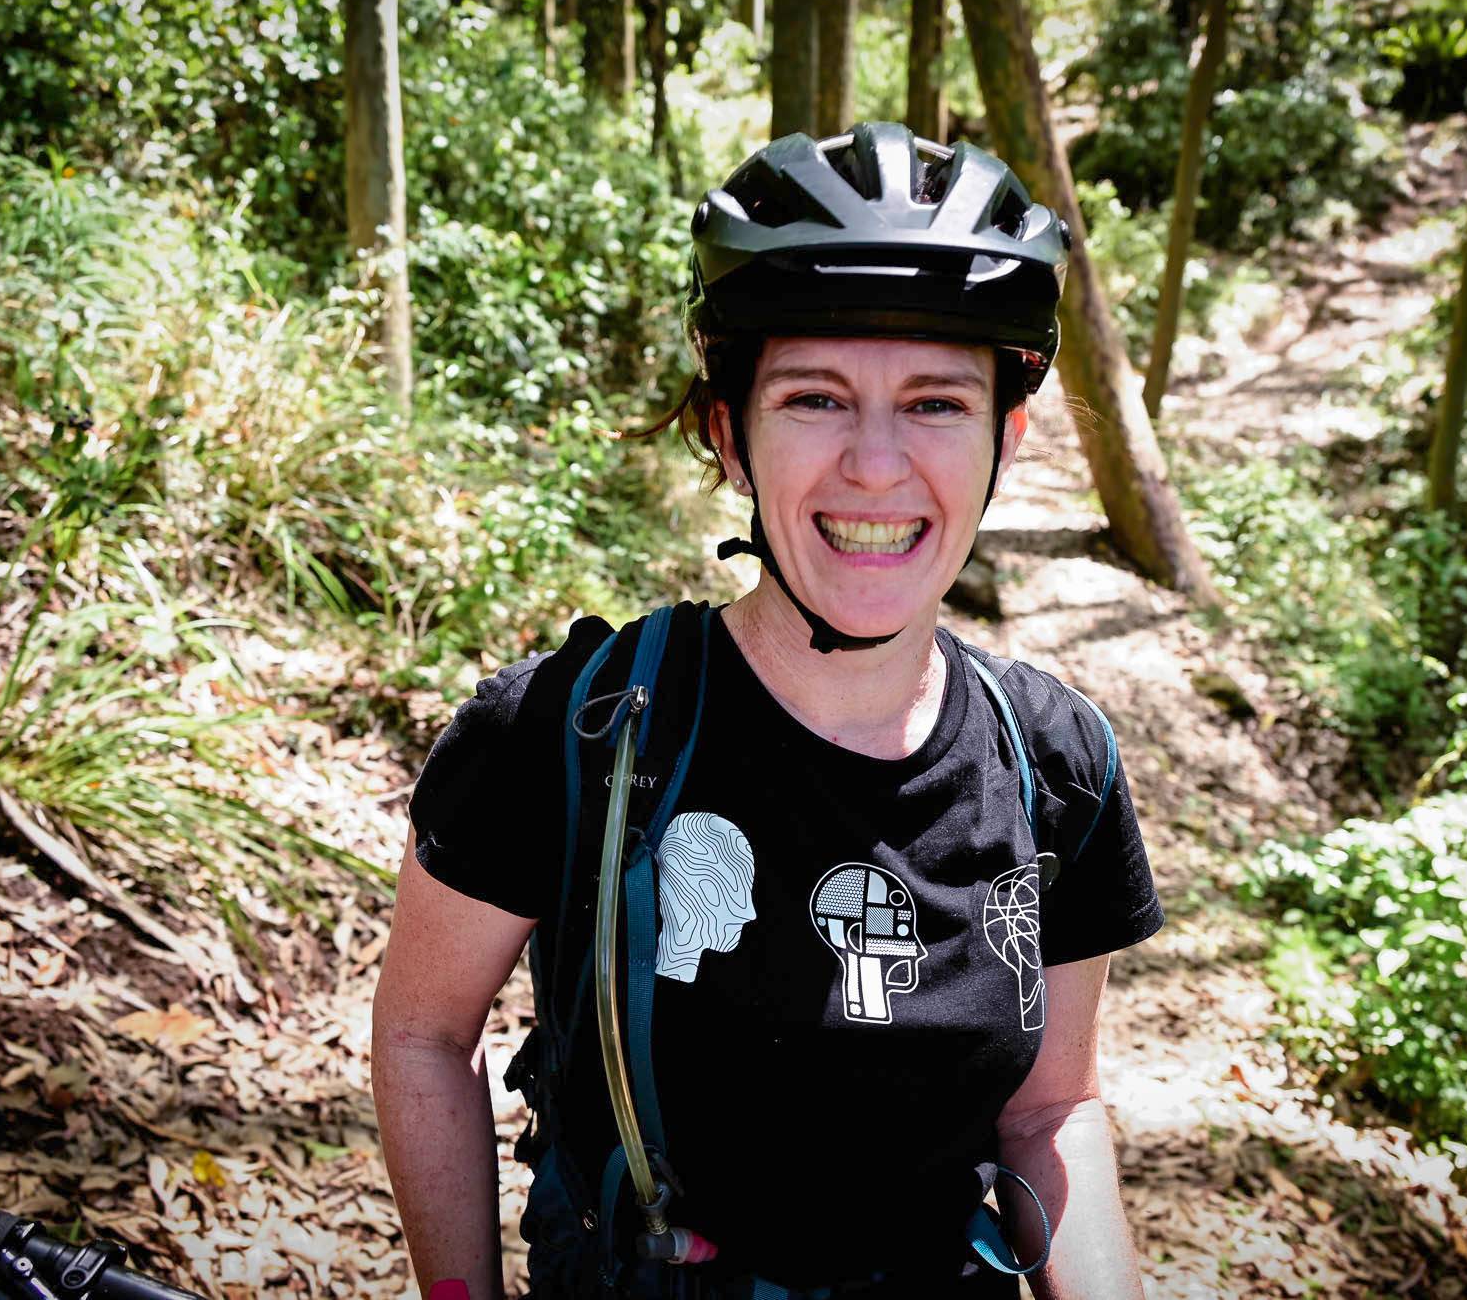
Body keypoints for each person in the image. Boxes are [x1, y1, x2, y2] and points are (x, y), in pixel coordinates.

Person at [373, 122, 1164, 1300]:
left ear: (1004, 439)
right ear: (727, 434)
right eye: (813, 398)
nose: (875, 465)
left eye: (936, 404)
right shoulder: (572, 730)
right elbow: (424, 1035)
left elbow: (1050, 1111)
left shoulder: (1055, 764)